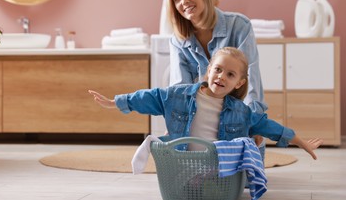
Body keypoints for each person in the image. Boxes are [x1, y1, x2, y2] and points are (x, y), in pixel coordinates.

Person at [88, 47, 323, 159]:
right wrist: (114, 102)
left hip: (217, 166)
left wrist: (301, 142)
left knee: (254, 140)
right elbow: (148, 97)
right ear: (208, 70)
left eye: (230, 75)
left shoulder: (241, 112)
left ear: (239, 83)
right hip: (183, 162)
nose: (221, 77)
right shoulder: (178, 96)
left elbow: (271, 127)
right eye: (218, 70)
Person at [165, 0, 266, 152]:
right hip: (201, 121)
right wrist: (175, 126)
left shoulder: (239, 26)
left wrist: (255, 122)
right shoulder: (177, 41)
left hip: (237, 119)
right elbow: (179, 89)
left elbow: (252, 82)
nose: (184, 1)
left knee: (246, 178)